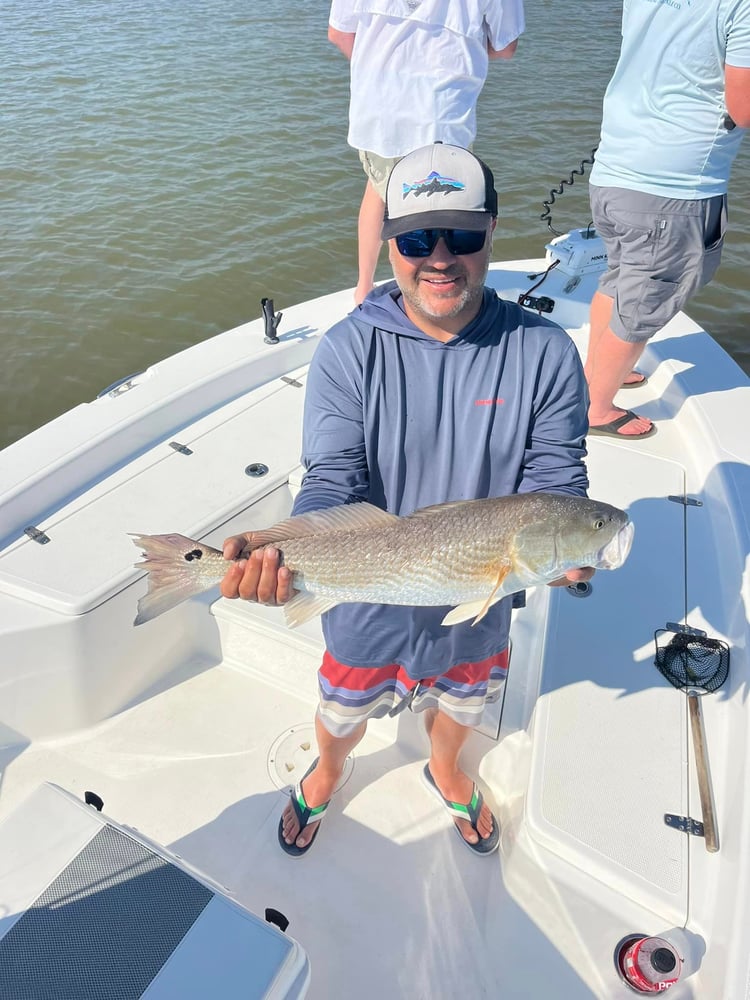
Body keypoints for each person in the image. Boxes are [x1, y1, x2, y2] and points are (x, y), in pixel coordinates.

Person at [220, 143, 592, 858]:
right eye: (419, 237)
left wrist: (575, 544)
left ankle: (446, 766)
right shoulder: (346, 350)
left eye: (463, 235)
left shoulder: (545, 353)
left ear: (491, 228)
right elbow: (332, 479)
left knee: (464, 702)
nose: (441, 257)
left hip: (479, 602)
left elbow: (557, 481)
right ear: (390, 238)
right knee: (341, 708)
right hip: (362, 600)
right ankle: (327, 772)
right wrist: (280, 554)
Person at [585, 0, 750, 439]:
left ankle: (598, 376)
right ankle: (596, 408)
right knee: (644, 302)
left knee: (619, 278)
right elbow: (743, 106)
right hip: (672, 189)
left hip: (614, 171)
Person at [327, 0, 524, 306]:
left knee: (380, 191)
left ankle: (364, 287)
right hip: (444, 116)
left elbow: (339, 34)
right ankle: (435, 298)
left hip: (379, 113)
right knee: (442, 211)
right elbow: (506, 46)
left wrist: (389, 71)